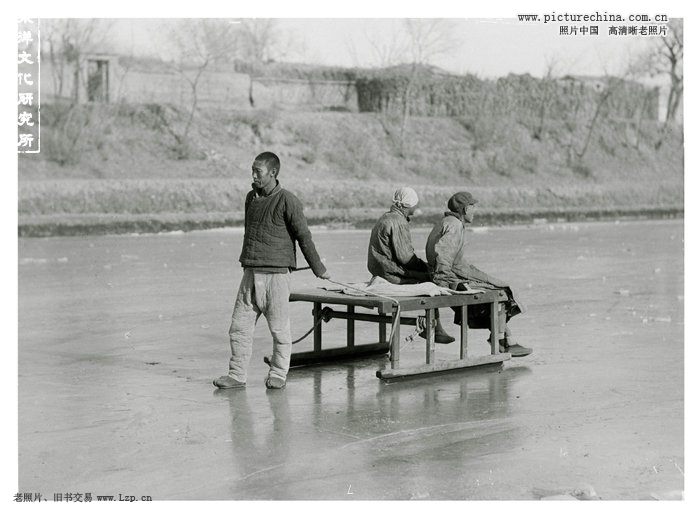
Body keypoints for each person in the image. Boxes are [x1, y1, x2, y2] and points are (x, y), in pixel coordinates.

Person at [214, 152, 331, 390]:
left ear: (273, 173)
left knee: (279, 329)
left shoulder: (288, 200)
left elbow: (303, 237)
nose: (254, 175)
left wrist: (319, 269)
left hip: (277, 277)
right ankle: (236, 375)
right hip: (250, 274)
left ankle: (278, 373)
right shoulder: (250, 198)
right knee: (239, 327)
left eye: (258, 171)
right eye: (252, 170)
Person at [425, 191, 532, 357]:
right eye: (473, 207)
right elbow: (443, 256)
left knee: (501, 286)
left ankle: (504, 339)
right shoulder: (454, 225)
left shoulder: (448, 222)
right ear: (465, 209)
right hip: (451, 277)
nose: (475, 211)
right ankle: (501, 341)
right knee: (502, 294)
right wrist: (445, 286)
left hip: (454, 273)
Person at [367, 187, 454, 343]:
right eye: (414, 204)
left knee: (427, 275)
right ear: (406, 206)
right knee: (431, 282)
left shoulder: (385, 218)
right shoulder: (398, 221)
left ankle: (435, 327)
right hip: (390, 275)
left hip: (380, 271)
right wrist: (426, 267)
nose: (415, 207)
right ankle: (433, 328)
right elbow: (405, 257)